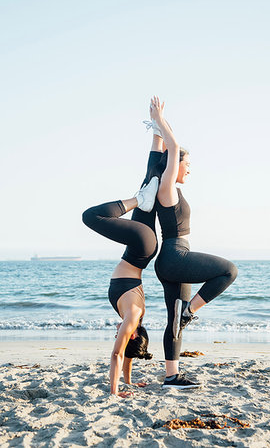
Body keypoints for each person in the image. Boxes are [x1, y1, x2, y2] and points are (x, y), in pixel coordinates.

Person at [149, 96, 238, 389]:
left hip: (173, 260)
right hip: (175, 257)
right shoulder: (166, 187)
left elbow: (166, 148)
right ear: (175, 166)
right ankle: (190, 313)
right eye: (188, 164)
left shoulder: (165, 186)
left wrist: (159, 129)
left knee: (173, 319)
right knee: (229, 271)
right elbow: (173, 149)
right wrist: (161, 122)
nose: (189, 168)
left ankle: (171, 376)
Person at [82, 126, 164, 398]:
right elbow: (118, 354)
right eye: (123, 334)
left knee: (149, 180)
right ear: (132, 334)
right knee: (91, 217)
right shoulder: (132, 318)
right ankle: (138, 199)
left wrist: (130, 382)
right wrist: (115, 391)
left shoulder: (134, 321)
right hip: (141, 246)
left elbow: (127, 354)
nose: (116, 332)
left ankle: (158, 133)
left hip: (139, 247)